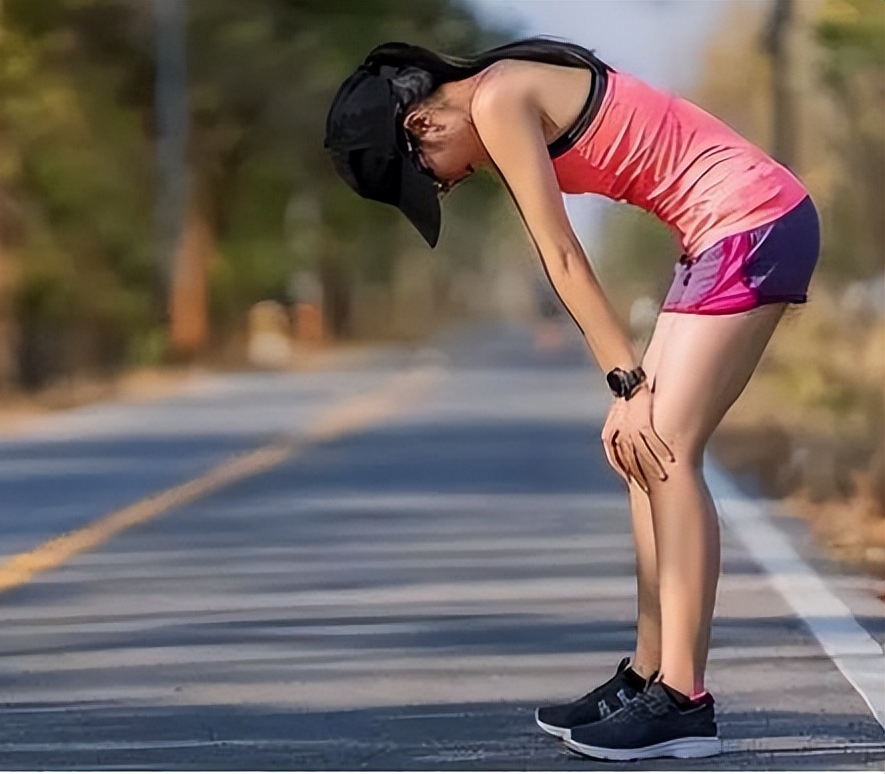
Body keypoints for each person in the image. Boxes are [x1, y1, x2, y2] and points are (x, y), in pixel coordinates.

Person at [323, 38, 820, 762]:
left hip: (752, 222)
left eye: (426, 176)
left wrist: (625, 381)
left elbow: (557, 252)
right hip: (720, 231)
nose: (444, 184)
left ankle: (684, 699)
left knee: (665, 449)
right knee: (639, 453)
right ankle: (649, 676)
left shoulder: (497, 100)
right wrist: (627, 390)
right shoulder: (500, 94)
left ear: (421, 126)